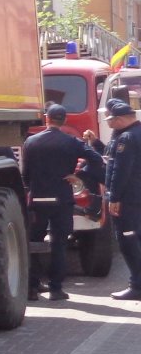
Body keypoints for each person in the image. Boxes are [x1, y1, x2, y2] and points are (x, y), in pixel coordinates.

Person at [22, 103, 104, 301]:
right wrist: (78, 175)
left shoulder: (31, 142)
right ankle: (56, 289)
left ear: (46, 118)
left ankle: (32, 287)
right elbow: (96, 159)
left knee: (34, 243)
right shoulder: (71, 142)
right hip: (62, 200)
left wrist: (31, 187)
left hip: (38, 198)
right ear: (64, 120)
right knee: (59, 244)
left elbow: (25, 174)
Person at [103, 98, 141, 300]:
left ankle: (137, 286)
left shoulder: (126, 138)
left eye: (110, 119)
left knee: (127, 240)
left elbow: (120, 170)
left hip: (127, 199)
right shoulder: (134, 133)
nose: (108, 123)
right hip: (136, 196)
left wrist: (114, 197)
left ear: (119, 119)